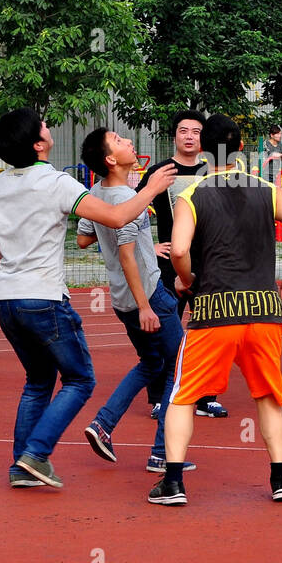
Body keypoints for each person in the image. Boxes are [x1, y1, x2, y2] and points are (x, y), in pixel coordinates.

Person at [0, 108, 175, 489]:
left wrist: (13, 265)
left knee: (37, 381)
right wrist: (149, 190)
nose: (49, 128)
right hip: (44, 298)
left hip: (7, 300)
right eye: (44, 126)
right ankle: (36, 454)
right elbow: (116, 218)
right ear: (38, 144)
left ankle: (23, 467)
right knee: (80, 379)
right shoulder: (56, 183)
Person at [148, 114, 282, 506]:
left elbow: (178, 251)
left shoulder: (191, 195)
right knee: (269, 396)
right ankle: (281, 479)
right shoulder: (266, 190)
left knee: (183, 396)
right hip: (263, 310)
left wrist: (187, 280)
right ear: (241, 147)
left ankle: (173, 482)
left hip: (213, 312)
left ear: (204, 150)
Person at [76, 128, 196, 475]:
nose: (128, 141)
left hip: (121, 300)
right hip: (148, 297)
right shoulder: (122, 200)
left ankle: (103, 424)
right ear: (111, 160)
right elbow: (127, 256)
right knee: (179, 370)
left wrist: (147, 245)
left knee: (152, 364)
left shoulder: (99, 194)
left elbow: (85, 238)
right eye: (118, 140)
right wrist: (146, 306)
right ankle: (162, 453)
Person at [137, 110, 226, 419]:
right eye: (183, 131)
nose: (190, 136)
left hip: (208, 266)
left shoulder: (213, 171)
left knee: (210, 332)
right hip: (169, 268)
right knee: (165, 332)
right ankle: (161, 397)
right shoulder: (160, 172)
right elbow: (134, 211)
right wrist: (149, 244)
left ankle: (206, 397)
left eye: (196, 131)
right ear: (174, 136)